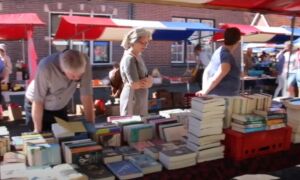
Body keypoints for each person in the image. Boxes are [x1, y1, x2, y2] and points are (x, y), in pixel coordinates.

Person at [25, 49, 95, 133]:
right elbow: (38, 100)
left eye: (80, 75)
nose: (77, 78)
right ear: (63, 70)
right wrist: (37, 130)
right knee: (43, 139)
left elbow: (86, 94)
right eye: (73, 76)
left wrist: (91, 125)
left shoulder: (84, 62)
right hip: (37, 106)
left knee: (64, 136)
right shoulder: (45, 67)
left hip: (60, 106)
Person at [196, 27, 241, 97]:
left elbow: (207, 71)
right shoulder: (226, 56)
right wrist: (204, 92)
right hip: (223, 98)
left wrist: (204, 89)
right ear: (237, 42)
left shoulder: (218, 51)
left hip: (217, 95)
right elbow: (218, 76)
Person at [119, 27, 153, 116]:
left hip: (139, 99)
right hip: (132, 99)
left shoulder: (138, 56)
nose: (145, 46)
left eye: (147, 43)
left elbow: (146, 77)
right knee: (133, 124)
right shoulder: (129, 58)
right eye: (142, 43)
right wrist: (149, 81)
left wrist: (149, 80)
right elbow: (135, 84)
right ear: (133, 42)